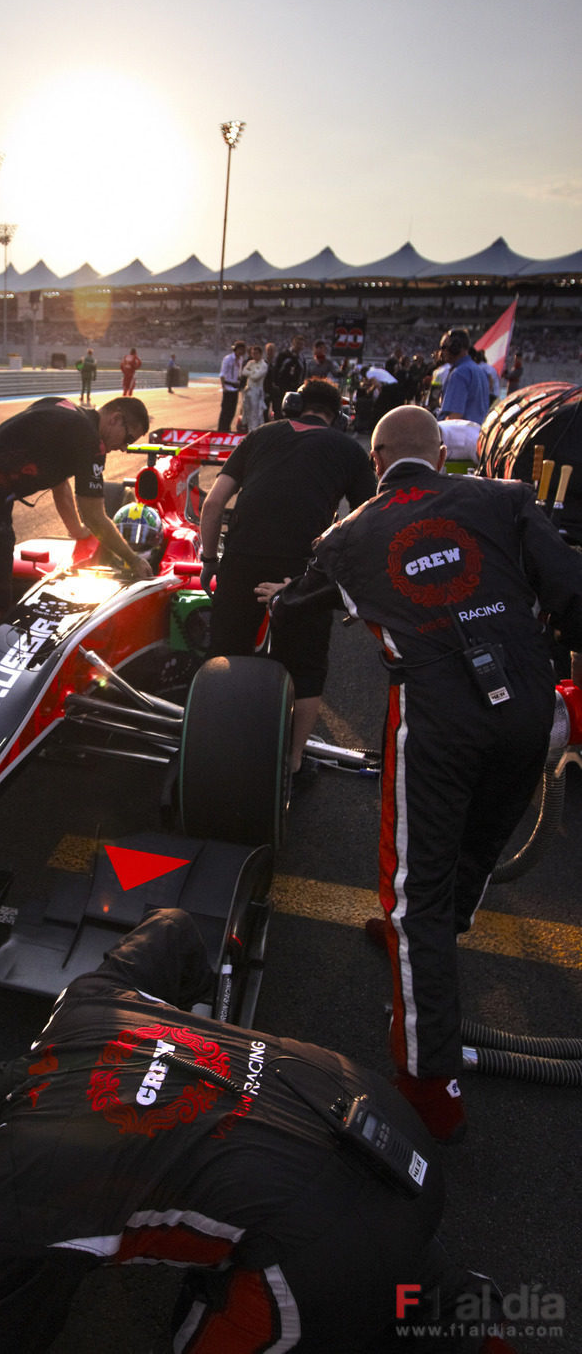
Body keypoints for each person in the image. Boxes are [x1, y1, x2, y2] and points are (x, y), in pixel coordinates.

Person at [0, 908, 515, 1354]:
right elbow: (171, 927)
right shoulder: (81, 1006)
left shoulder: (24, 1193)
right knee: (355, 1230)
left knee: (200, 1334)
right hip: (384, 1121)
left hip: (323, 1248)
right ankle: (445, 1303)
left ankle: (372, 1306)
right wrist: (189, 1017)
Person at [265, 405, 582, 1141]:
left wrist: (276, 597)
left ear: (375, 462)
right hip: (529, 706)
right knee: (475, 848)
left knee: (409, 897)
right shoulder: (504, 498)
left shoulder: (344, 537)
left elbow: (297, 605)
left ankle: (426, 1078)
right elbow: (571, 592)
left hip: (436, 716)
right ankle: (437, 937)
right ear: (441, 455)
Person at [199, 379, 375, 777]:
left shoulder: (260, 435)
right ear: (340, 418)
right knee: (306, 665)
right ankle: (294, 761)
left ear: (293, 405)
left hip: (241, 560)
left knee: (224, 652)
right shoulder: (348, 448)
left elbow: (212, 504)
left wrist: (210, 561)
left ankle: (213, 743)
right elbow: (371, 518)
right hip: (301, 570)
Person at [0, 395, 153, 662]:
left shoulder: (64, 407)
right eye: (128, 439)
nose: (124, 449)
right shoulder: (91, 441)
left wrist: (76, 530)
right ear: (115, 418)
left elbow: (60, 483)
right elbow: (95, 515)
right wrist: (132, 560)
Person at [437, 329, 490, 424]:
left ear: (455, 347)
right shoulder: (479, 370)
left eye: (444, 347)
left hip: (461, 435)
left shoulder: (459, 373)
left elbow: (454, 416)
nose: (441, 352)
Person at [264, 334, 306, 421]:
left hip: (296, 388)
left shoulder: (302, 358)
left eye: (301, 344)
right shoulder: (284, 355)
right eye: (298, 344)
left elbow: (303, 372)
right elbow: (276, 371)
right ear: (293, 343)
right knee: (280, 410)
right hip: (282, 388)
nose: (299, 347)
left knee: (294, 411)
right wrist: (276, 384)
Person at [216, 340, 246, 432]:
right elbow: (222, 374)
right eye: (240, 350)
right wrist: (223, 387)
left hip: (235, 388)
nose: (241, 352)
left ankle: (227, 428)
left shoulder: (240, 359)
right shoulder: (228, 359)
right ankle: (221, 429)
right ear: (236, 349)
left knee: (232, 411)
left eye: (242, 350)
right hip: (228, 387)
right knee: (225, 410)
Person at [239, 342, 267, 430]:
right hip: (249, 390)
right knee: (247, 412)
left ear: (260, 354)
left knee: (257, 413)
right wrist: (253, 372)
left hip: (257, 391)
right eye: (252, 353)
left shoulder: (264, 365)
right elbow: (243, 372)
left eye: (256, 353)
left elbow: (256, 377)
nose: (254, 355)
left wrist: (250, 373)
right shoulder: (250, 363)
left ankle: (256, 431)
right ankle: (249, 430)